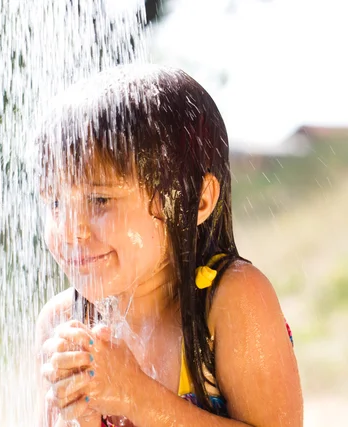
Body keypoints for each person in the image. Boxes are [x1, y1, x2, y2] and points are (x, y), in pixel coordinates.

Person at [34, 65, 302, 427]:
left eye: (99, 200)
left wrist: (136, 397)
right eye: (54, 203)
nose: (69, 230)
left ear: (196, 203)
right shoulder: (65, 321)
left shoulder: (232, 300)